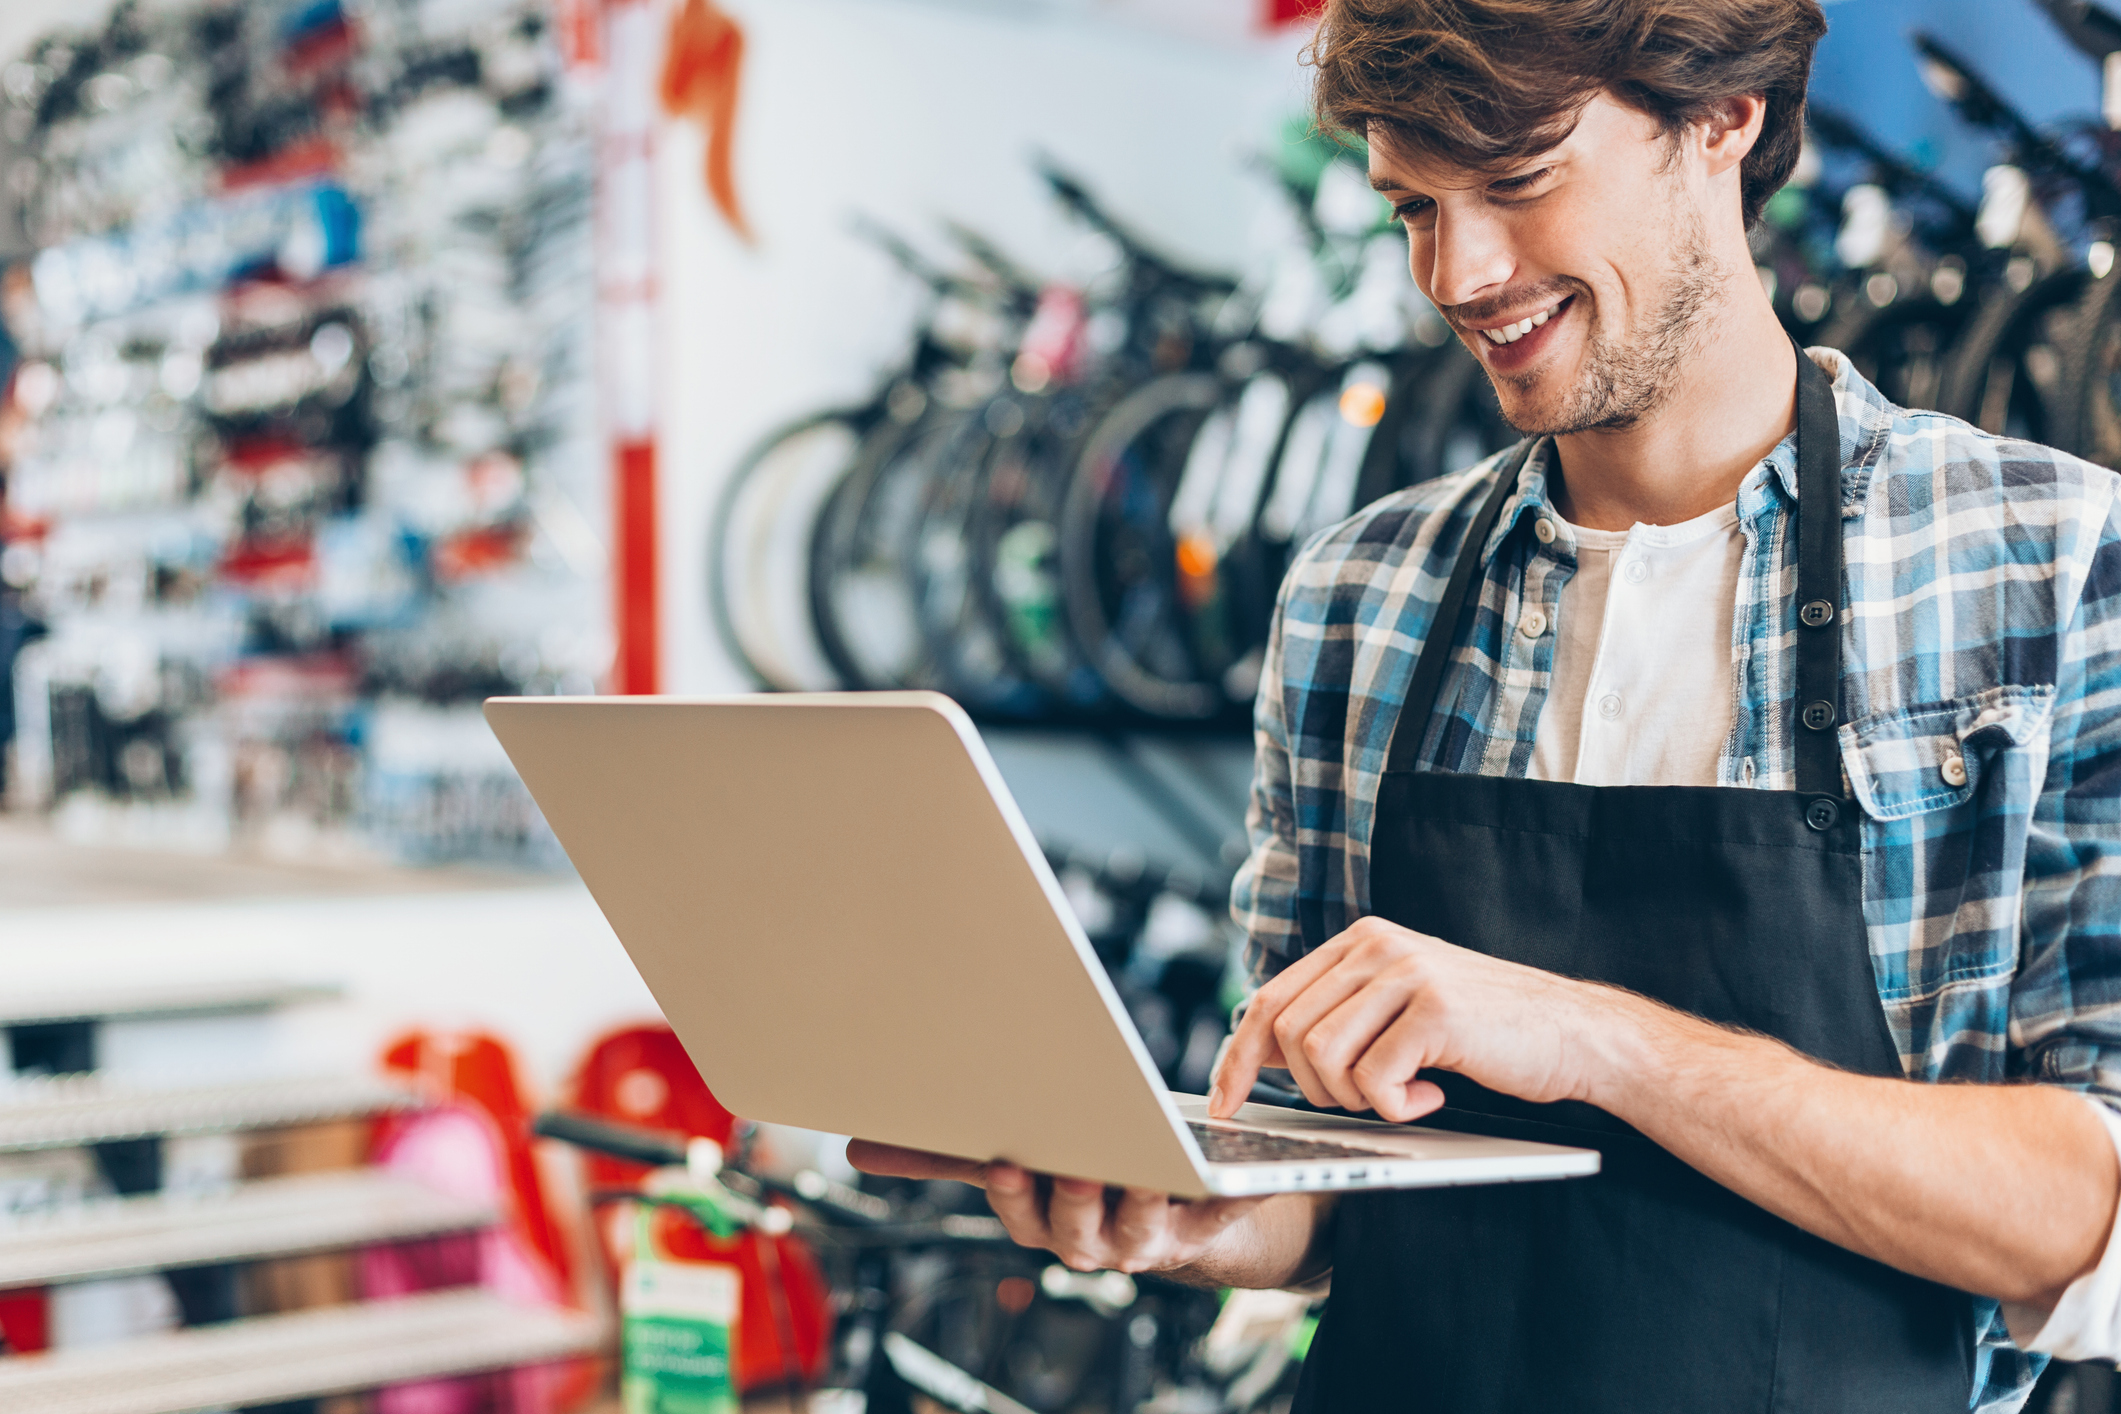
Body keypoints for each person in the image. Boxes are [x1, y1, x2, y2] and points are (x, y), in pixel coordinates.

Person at [854, 1, 2121, 1407]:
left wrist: (1592, 1039)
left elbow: (2085, 1218)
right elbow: (1314, 1165)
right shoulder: (1355, 595)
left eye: (1515, 180)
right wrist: (1204, 1215)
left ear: (1722, 118)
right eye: (1411, 207)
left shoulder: (2045, 564)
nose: (1458, 273)